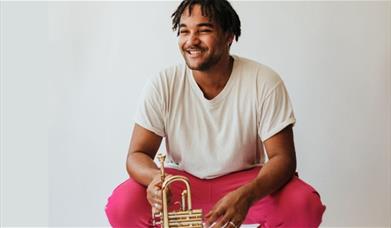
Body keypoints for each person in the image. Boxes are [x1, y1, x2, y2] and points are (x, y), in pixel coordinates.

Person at [105, 0, 326, 227]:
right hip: (182, 185)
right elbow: (136, 154)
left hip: (245, 184)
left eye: (204, 30)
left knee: (303, 203)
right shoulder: (163, 83)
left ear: (229, 36)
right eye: (184, 31)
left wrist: (248, 194)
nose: (191, 41)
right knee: (123, 204)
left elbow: (284, 158)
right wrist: (155, 180)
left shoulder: (264, 81)